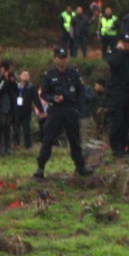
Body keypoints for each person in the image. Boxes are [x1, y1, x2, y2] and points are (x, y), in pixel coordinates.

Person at [33, 48, 92, 178]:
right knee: (48, 139)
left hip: (71, 110)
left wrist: (78, 108)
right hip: (56, 110)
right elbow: (43, 93)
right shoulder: (49, 75)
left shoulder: (74, 74)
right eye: (60, 57)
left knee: (74, 139)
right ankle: (40, 167)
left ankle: (80, 166)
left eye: (64, 57)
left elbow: (81, 92)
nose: (62, 60)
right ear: (55, 59)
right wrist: (53, 99)